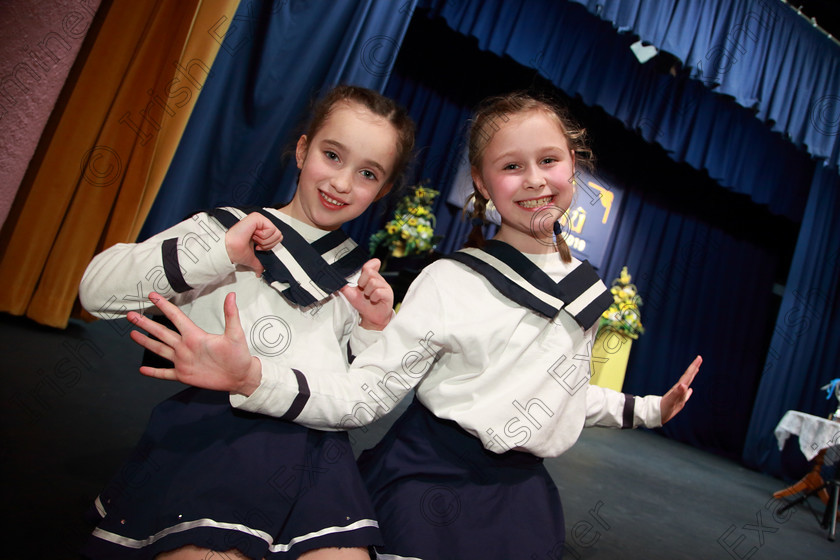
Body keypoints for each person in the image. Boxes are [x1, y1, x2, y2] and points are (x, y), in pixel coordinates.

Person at [130, 91, 701, 559]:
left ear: (574, 164)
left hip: (524, 497)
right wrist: (254, 376)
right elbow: (362, 398)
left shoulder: (584, 283)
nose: (534, 180)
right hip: (432, 482)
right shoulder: (451, 282)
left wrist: (651, 409)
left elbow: (558, 392)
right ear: (481, 182)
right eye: (510, 166)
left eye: (548, 160)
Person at [77, 85, 415, 560]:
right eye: (332, 155)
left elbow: (360, 397)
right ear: (302, 150)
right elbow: (95, 290)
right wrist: (218, 255)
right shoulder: (227, 230)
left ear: (381, 190)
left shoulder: (360, 280)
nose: (341, 182)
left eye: (366, 173)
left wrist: (373, 328)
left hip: (318, 458)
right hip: (216, 438)